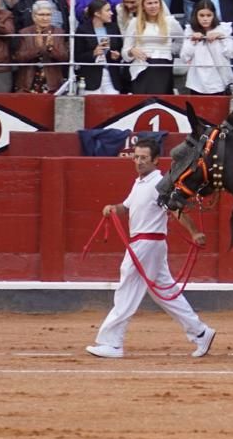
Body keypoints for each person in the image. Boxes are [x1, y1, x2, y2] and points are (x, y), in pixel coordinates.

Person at [85, 138, 215, 360]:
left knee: (127, 289)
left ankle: (112, 343)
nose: (139, 161)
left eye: (144, 158)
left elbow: (176, 209)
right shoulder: (140, 183)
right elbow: (126, 207)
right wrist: (112, 209)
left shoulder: (159, 183)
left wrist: (194, 232)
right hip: (147, 244)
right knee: (164, 292)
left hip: (147, 243)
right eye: (136, 157)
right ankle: (200, 332)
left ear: (155, 160)